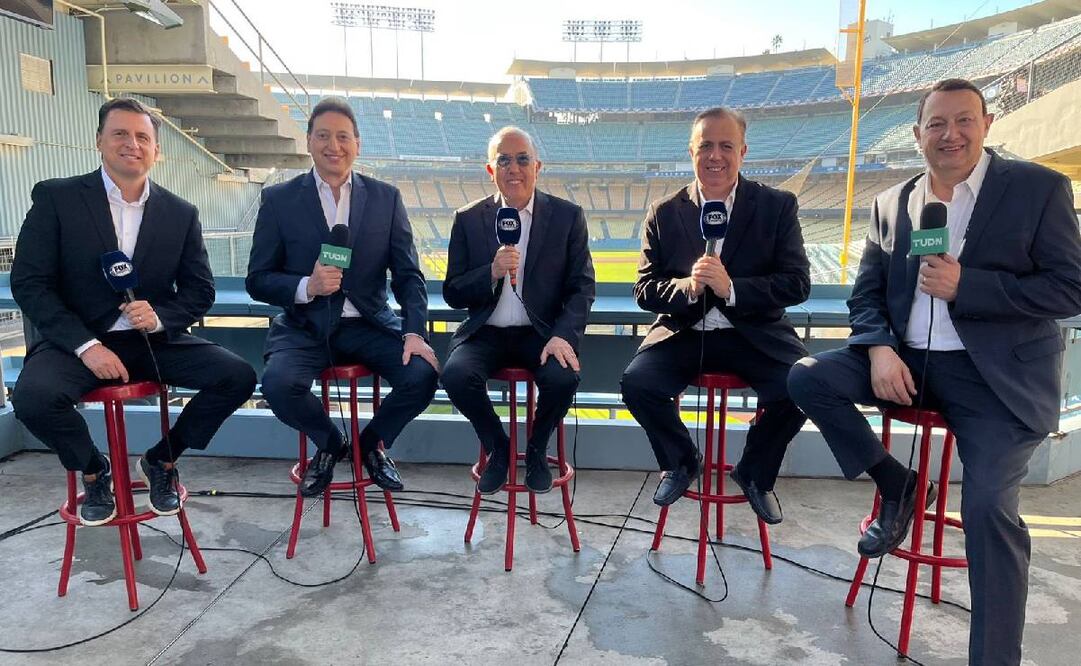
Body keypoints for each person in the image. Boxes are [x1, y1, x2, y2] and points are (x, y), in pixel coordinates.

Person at [787, 78, 1081, 665]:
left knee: (986, 510)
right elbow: (866, 295)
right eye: (937, 124)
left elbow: (1069, 288)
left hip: (995, 380)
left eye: (964, 121)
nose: (951, 135)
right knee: (806, 376)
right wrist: (876, 348)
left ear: (988, 124)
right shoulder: (892, 201)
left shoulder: (1037, 189)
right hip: (908, 364)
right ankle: (899, 484)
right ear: (918, 134)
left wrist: (967, 286)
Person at [10, 97, 256, 525]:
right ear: (100, 141)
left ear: (156, 150)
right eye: (120, 133)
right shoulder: (57, 198)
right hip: (79, 342)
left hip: (151, 341)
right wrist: (86, 345)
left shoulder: (181, 213)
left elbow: (200, 291)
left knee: (237, 375)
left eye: (143, 137)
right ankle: (93, 468)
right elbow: (29, 284)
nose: (132, 144)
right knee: (33, 399)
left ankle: (162, 459)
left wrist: (161, 316)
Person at [621, 107, 810, 519]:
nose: (715, 156)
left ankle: (755, 472)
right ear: (691, 151)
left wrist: (733, 289)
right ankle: (682, 460)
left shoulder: (776, 206)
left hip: (755, 334)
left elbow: (797, 283)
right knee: (637, 384)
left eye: (726, 146)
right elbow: (644, 289)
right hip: (684, 333)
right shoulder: (665, 211)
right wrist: (687, 288)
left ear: (743, 151)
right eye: (706, 145)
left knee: (803, 387)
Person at [247, 96, 438, 497]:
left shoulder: (386, 198)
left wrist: (415, 332)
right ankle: (332, 445)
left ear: (357, 143)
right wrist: (306, 286)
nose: (333, 145)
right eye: (323, 136)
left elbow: (408, 275)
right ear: (308, 141)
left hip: (369, 322)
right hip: (305, 324)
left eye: (342, 136)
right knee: (278, 386)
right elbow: (258, 278)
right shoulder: (279, 199)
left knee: (422, 374)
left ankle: (370, 445)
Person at [441, 127, 595, 494]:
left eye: (522, 159)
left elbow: (583, 286)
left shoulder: (567, 217)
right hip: (485, 333)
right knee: (455, 376)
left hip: (541, 332)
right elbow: (452, 291)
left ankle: (537, 449)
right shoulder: (468, 218)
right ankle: (499, 447)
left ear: (537, 166)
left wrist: (563, 335)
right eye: (504, 160)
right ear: (490, 170)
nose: (514, 168)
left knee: (563, 378)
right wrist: (490, 272)